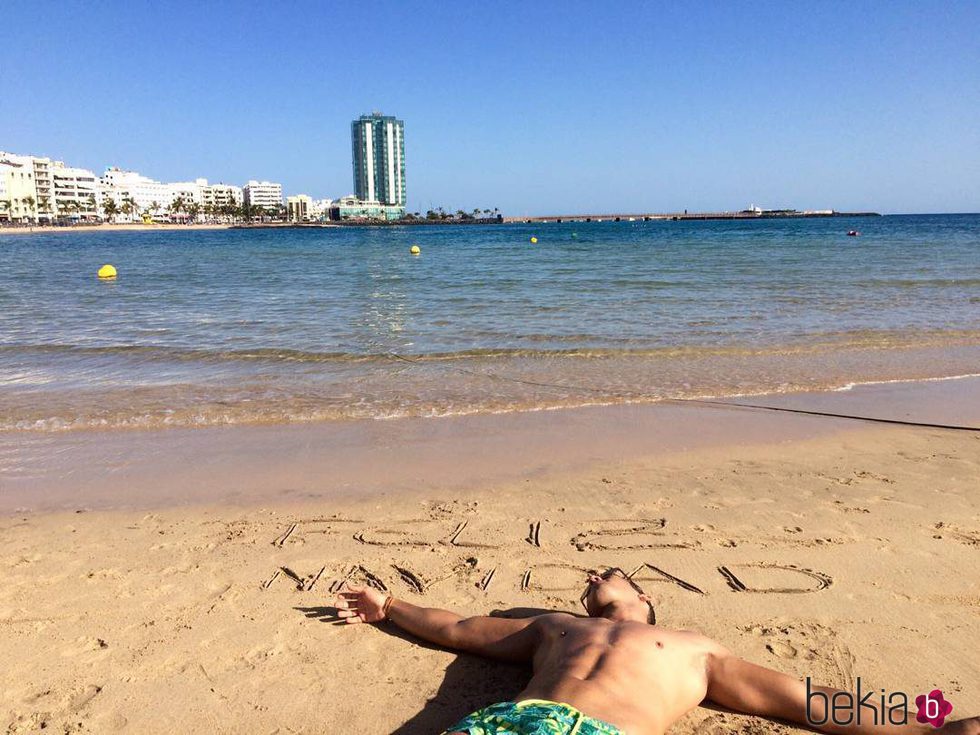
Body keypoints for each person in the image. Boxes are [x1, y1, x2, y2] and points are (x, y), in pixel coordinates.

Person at [335, 567, 977, 735]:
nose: (591, 579)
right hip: (508, 726)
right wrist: (390, 607)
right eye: (589, 580)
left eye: (604, 573)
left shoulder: (695, 651)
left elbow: (806, 700)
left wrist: (929, 724)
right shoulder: (555, 627)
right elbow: (459, 628)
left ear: (642, 594)